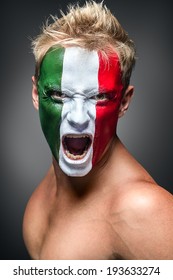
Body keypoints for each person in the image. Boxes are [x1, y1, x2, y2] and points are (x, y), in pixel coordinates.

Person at [23, 1, 173, 260]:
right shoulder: (57, 172)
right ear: (37, 94)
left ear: (124, 102)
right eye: (59, 94)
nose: (78, 118)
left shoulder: (144, 211)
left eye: (100, 97)